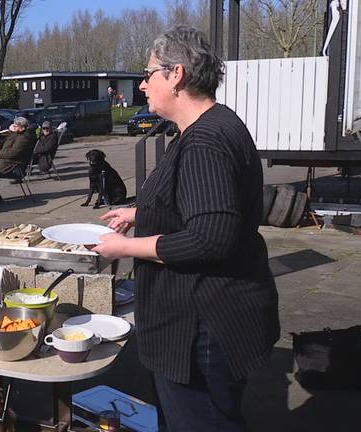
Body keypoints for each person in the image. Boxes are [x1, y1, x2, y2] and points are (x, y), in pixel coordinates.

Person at [91, 27, 279, 432]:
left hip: (203, 328)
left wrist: (125, 247)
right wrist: (139, 214)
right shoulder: (209, 126)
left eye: (148, 73)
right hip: (208, 319)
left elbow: (211, 238)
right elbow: (194, 205)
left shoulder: (205, 142)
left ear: (175, 75)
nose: (142, 84)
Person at [0, 116, 35, 205]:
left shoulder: (25, 138)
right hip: (6, 163)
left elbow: (13, 153)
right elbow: (6, 144)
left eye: (16, 125)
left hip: (15, 167)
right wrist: (1, 142)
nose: (13, 126)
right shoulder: (17, 134)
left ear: (22, 127)